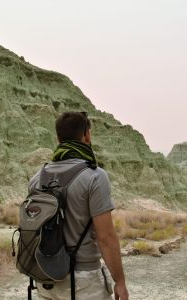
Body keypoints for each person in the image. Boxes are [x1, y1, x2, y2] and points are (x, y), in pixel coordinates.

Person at [28, 111, 129, 300]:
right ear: (87, 135)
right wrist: (120, 282)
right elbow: (106, 237)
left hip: (45, 278)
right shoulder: (95, 176)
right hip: (83, 282)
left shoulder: (37, 178)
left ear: (58, 138)